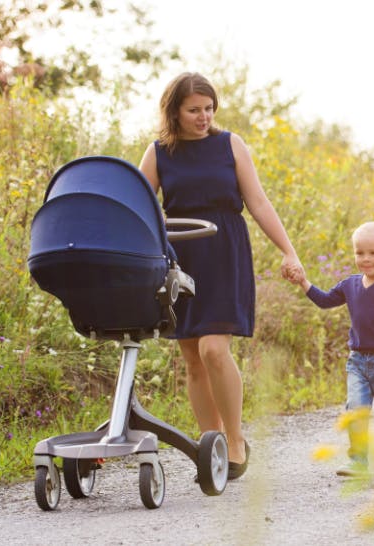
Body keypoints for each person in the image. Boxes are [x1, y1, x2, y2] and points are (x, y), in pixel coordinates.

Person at [139, 72, 304, 480]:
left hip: (224, 249)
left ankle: (234, 441)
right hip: (180, 254)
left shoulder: (230, 144)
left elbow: (259, 201)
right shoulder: (159, 152)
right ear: (174, 111)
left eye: (209, 108)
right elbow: (137, 203)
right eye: (194, 110)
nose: (203, 116)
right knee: (193, 357)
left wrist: (289, 251)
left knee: (215, 349)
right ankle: (208, 444)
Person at [288, 221, 374, 476]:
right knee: (356, 412)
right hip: (357, 361)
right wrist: (304, 282)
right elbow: (326, 301)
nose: (366, 258)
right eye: (360, 253)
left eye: (373, 253)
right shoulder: (349, 284)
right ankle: (358, 462)